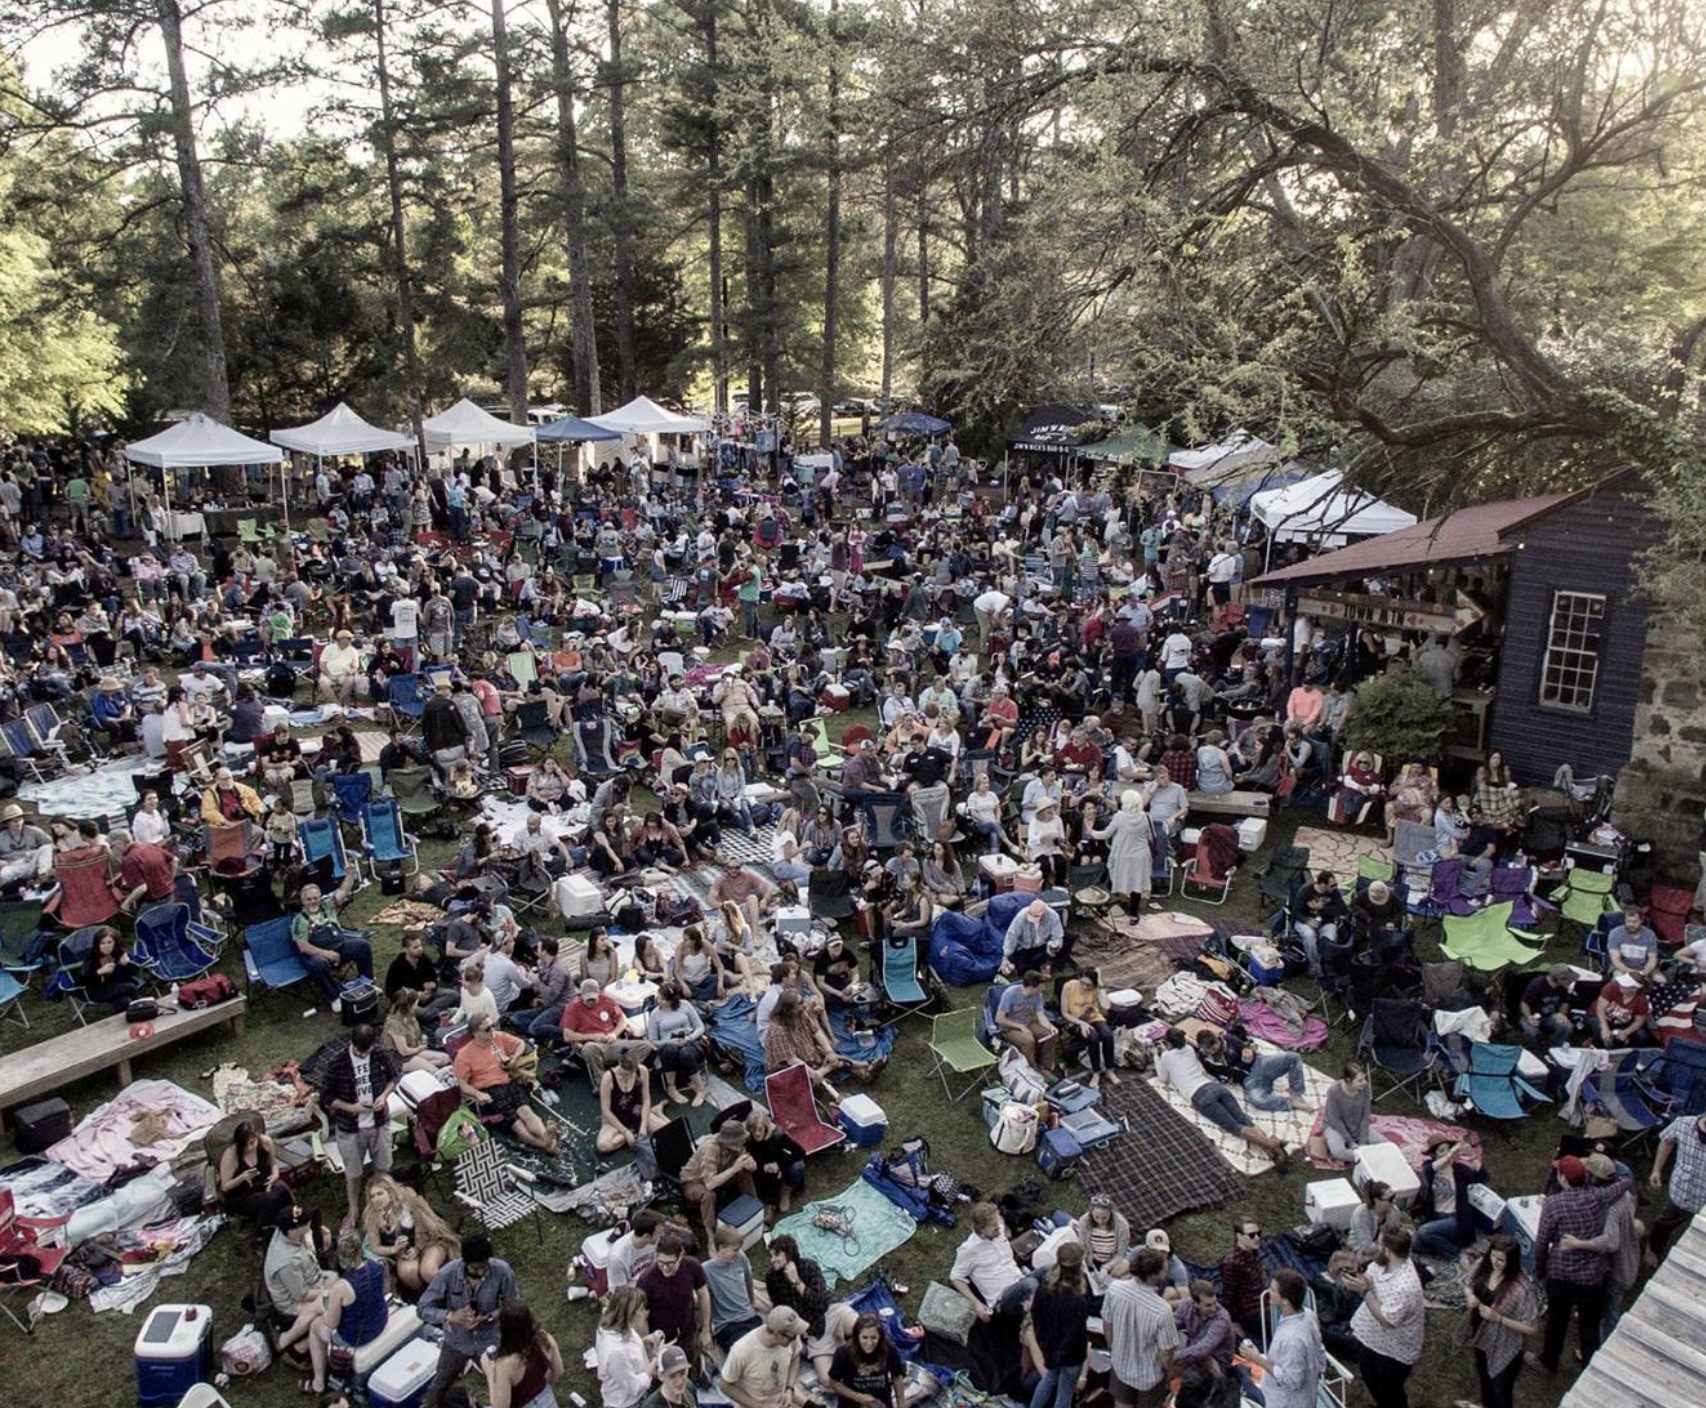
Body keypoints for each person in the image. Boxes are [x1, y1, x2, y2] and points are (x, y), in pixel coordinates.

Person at [1155, 1029, 1291, 1168]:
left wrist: (1156, 1055)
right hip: (1215, 1087)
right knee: (1243, 1118)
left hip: (1199, 1095)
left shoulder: (1166, 1056)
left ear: (1169, 1044)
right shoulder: (1190, 1049)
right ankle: (1275, 1151)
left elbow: (1163, 1078)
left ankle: (1270, 1144)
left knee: (1234, 1127)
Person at [419, 1236, 520, 1408]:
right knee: (439, 1385)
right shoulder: (447, 1274)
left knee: (503, 1383)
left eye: (483, 1267)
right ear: (465, 1262)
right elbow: (422, 1308)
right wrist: (450, 1315)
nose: (480, 1272)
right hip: (456, 1341)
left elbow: (514, 1305)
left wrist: (489, 1317)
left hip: (490, 1340)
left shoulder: (502, 1271)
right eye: (475, 1268)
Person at [321, 1024, 399, 1231]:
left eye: (367, 1051)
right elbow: (327, 1097)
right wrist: (351, 1107)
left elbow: (394, 1077)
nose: (364, 1055)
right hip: (350, 1128)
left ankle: (383, 1208)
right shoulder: (338, 1062)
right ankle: (354, 1209)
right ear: (352, 1044)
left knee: (383, 1168)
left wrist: (383, 1095)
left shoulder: (380, 1053)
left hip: (379, 1122)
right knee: (354, 1173)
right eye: (359, 1052)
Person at [453, 1014, 559, 1154]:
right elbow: (462, 1085)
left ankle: (546, 1139)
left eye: (492, 1026)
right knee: (517, 1124)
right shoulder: (464, 1055)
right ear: (475, 1034)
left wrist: (513, 1060)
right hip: (488, 1090)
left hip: (508, 1082)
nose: (492, 1030)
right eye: (487, 1029)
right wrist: (478, 1094)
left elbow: (521, 1044)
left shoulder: (497, 1037)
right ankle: (547, 1143)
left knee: (526, 1111)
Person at [1457, 1234, 1541, 1408]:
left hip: (1505, 1344)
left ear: (1511, 1261)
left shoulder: (1521, 1289)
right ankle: (1485, 1404)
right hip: (1480, 1333)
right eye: (1493, 1256)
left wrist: (1499, 1318)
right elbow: (1468, 1283)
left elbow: (1532, 1328)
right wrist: (1470, 1296)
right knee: (1483, 1373)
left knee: (1501, 1387)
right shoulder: (1483, 1265)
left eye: (1501, 1260)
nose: (1495, 1262)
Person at [304, 1230, 390, 1396]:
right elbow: (384, 1290)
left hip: (356, 1336)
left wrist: (325, 1307)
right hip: (380, 1320)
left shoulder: (342, 1286)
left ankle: (318, 1382)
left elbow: (331, 1323)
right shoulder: (377, 1265)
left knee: (316, 1326)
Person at [1345, 1229, 1424, 1408]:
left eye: (1380, 1244)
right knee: (1368, 1371)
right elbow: (1371, 1276)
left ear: (1388, 1250)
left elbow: (1387, 1320)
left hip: (1394, 1351)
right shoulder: (1385, 1262)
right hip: (1374, 1339)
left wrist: (1364, 1291)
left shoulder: (1405, 1287)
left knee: (1388, 1390)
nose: (1377, 1248)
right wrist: (1359, 1278)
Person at [1102, 1248, 1183, 1408]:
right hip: (1149, 1377)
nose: (1165, 1273)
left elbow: (1107, 1324)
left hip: (1120, 1367)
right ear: (1154, 1275)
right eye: (1163, 1270)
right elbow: (1166, 1352)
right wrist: (1168, 1372)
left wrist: (1113, 1349)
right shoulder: (1162, 1310)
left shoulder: (1115, 1289)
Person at [1236, 1270, 1324, 1408]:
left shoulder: (1293, 1339)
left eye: (1272, 1290)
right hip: (1304, 1393)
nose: (1268, 1292)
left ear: (1285, 1301)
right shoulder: (1308, 1315)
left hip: (1284, 1402)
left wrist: (1257, 1358)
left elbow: (1292, 1381)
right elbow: (1320, 1350)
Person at [363, 1173, 459, 1294]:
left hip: (429, 1241)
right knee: (408, 1272)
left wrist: (418, 1248)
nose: (376, 1199)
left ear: (390, 1192)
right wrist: (393, 1249)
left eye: (380, 1194)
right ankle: (429, 1296)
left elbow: (432, 1227)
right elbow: (374, 1246)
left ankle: (455, 1294)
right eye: (372, 1196)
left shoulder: (408, 1199)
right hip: (404, 1252)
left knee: (427, 1270)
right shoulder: (372, 1215)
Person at [1023, 1243, 1091, 1408]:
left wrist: (1045, 1345)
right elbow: (1074, 1335)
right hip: (1070, 1356)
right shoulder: (1077, 1300)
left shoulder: (1044, 1288)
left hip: (1050, 1348)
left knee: (1048, 1380)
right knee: (1064, 1394)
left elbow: (1036, 1316)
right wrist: (1060, 1356)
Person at [266, 1205, 336, 1365]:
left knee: (339, 1282)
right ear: (292, 1230)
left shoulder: (285, 1231)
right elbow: (302, 1295)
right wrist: (332, 1293)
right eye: (305, 1223)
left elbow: (307, 1225)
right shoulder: (285, 1262)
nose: (309, 1222)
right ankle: (296, 1348)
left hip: (313, 1277)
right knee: (333, 1309)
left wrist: (321, 1231)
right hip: (294, 1302)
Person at [290, 882, 374, 1010]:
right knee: (319, 964)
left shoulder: (327, 906)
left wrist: (350, 874)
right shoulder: (299, 920)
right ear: (302, 901)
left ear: (320, 897)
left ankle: (367, 982)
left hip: (338, 946)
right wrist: (327, 954)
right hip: (314, 954)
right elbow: (303, 947)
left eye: (315, 898)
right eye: (309, 899)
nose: (313, 901)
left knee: (363, 946)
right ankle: (334, 996)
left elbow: (342, 892)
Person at [949, 1200, 1034, 1321]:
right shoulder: (969, 1250)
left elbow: (999, 1222)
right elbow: (955, 1277)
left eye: (997, 1222)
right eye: (993, 1226)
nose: (998, 1227)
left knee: (1046, 1270)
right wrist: (976, 1303)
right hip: (1002, 1299)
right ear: (981, 1229)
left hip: (1020, 1279)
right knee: (1030, 1284)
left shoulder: (998, 1230)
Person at [637, 1232, 712, 1354]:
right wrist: (648, 1345)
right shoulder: (646, 1280)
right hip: (661, 1339)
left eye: (670, 1263)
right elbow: (641, 1316)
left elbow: (703, 1295)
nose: (665, 1268)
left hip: (687, 1331)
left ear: (681, 1255)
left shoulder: (692, 1266)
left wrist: (705, 1330)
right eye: (661, 1262)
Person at [720, 1307, 809, 1408]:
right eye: (792, 1337)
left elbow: (795, 1358)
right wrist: (761, 1406)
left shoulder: (791, 1339)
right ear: (777, 1333)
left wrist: (789, 1389)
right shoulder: (741, 1351)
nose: (795, 1339)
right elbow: (725, 1386)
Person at [1171, 1279, 1240, 1407]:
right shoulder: (1187, 1306)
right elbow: (1171, 1325)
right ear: (1195, 1303)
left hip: (1216, 1360)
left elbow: (1203, 1349)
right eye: (1208, 1305)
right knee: (1162, 1367)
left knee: (1204, 1362)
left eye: (1214, 1303)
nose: (1213, 1308)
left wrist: (1173, 1357)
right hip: (1191, 1354)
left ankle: (1217, 1390)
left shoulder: (1221, 1318)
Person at [1648, 1110, 1706, 1262]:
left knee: (1699, 1237)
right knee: (1664, 1224)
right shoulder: (1683, 1124)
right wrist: (1656, 1170)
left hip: (1704, 1202)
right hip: (1681, 1192)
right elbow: (1667, 1141)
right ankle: (1653, 1250)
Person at [1411, 1134, 1477, 1261]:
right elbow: (1430, 1169)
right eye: (1441, 1150)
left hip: (1455, 1218)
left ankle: (1455, 1254)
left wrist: (1471, 1155)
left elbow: (1477, 1175)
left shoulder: (1459, 1170)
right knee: (1415, 1244)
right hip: (1437, 1216)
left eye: (1448, 1149)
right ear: (1434, 1155)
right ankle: (1447, 1244)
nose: (1447, 1153)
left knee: (1424, 1232)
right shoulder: (1429, 1168)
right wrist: (1449, 1155)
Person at [217, 1119, 293, 1230]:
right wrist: (242, 1177)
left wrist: (275, 1176)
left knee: (283, 1191)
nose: (249, 1148)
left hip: (262, 1184)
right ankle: (261, 1232)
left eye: (252, 1143)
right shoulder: (231, 1155)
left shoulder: (265, 1142)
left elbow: (273, 1164)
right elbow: (225, 1187)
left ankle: (291, 1220)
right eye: (245, 1146)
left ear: (257, 1137)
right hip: (241, 1194)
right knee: (270, 1200)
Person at [598, 1041, 669, 1154]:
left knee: (668, 1132)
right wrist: (625, 1131)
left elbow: (646, 1099)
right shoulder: (608, 1078)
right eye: (627, 1073)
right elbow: (605, 1110)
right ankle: (632, 1134)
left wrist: (644, 1126)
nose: (630, 1075)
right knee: (603, 1146)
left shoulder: (642, 1071)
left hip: (637, 1113)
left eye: (632, 1072)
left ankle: (655, 1114)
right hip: (616, 1118)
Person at [1089, 789, 1153, 913]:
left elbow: (1105, 834)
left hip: (1124, 854)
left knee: (1123, 880)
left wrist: (1090, 832)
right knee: (1137, 883)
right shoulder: (1146, 817)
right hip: (1141, 855)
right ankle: (1134, 912)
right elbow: (1149, 837)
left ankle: (1122, 903)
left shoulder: (1120, 817)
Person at [647, 983, 711, 1105]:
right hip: (668, 1045)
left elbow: (700, 1027)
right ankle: (672, 1087)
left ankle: (700, 1089)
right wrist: (669, 1042)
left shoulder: (685, 1006)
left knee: (685, 1053)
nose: (658, 1000)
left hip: (690, 1041)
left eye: (661, 998)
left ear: (670, 1001)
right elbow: (653, 1040)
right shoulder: (655, 1014)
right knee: (670, 1050)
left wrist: (688, 1038)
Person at [596, 1287, 659, 1408]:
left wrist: (643, 1341)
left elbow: (628, 1350)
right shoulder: (615, 1352)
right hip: (628, 1403)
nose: (645, 1313)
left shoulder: (616, 1327)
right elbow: (634, 1387)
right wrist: (656, 1359)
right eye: (641, 1310)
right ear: (630, 1315)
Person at [705, 1224, 764, 1350]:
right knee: (745, 1353)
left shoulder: (740, 1258)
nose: (737, 1253)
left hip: (749, 1316)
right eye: (735, 1250)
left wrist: (752, 1301)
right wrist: (708, 1330)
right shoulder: (706, 1270)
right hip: (728, 1325)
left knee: (767, 1345)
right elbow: (705, 1300)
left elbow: (748, 1279)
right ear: (722, 1247)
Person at [561, 978, 628, 1085]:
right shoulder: (573, 1008)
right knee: (590, 1049)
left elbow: (623, 1019)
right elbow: (567, 1035)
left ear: (599, 993)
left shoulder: (607, 1001)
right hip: (590, 1044)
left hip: (611, 1040)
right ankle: (602, 1083)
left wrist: (614, 1034)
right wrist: (592, 1036)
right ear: (581, 995)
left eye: (593, 999)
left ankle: (630, 1076)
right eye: (588, 999)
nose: (591, 1002)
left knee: (640, 1046)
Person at [1060, 967, 1118, 1087]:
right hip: (1076, 1020)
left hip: (1093, 1017)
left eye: (1089, 985)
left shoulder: (1096, 988)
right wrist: (1081, 1023)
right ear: (1079, 978)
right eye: (1083, 983)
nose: (1085, 987)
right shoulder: (1069, 987)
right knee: (1093, 1038)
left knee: (1107, 1035)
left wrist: (1100, 984)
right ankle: (1095, 1072)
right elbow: (1064, 1013)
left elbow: (1106, 1006)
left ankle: (1109, 1069)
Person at [994, 969, 1058, 1073]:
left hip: (1027, 1022)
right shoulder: (1010, 994)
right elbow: (999, 1019)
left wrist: (1050, 1027)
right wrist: (1020, 1027)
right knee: (1028, 1041)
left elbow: (1040, 1015)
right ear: (1032, 986)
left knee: (1051, 1034)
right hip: (1009, 1028)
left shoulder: (1037, 995)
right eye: (1041, 987)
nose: (1044, 989)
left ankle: (1045, 1067)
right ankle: (1032, 1069)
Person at [78, 926, 143, 1012]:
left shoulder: (118, 953)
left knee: (123, 1001)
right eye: (102, 943)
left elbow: (134, 973)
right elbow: (81, 980)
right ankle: (139, 1009)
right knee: (130, 987)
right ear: (97, 944)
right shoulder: (92, 957)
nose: (106, 946)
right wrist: (99, 972)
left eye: (109, 942)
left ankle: (132, 1016)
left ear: (115, 943)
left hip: (118, 985)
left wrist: (127, 964)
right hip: (97, 990)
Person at [1072, 1194, 1132, 1277]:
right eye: (1096, 1217)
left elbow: (1121, 1253)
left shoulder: (1122, 1225)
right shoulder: (1084, 1221)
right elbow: (1083, 1246)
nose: (1100, 1221)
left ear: (1111, 1213)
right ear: (1091, 1212)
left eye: (1104, 1218)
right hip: (1092, 1260)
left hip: (1113, 1261)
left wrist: (1107, 1267)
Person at [1519, 965, 1578, 1046]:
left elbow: (1565, 1002)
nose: (1571, 982)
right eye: (1569, 980)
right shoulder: (1537, 984)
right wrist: (1529, 1017)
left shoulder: (1563, 987)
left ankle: (1554, 1047)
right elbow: (1524, 1003)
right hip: (1531, 1015)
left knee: (1567, 1027)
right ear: (1559, 978)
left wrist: (1562, 1014)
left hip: (1549, 1015)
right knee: (1532, 1032)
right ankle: (1535, 1050)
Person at [1605, 904, 1659, 980]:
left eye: (1635, 922)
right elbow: (1615, 960)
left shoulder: (1650, 935)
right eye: (1628, 921)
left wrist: (1644, 972)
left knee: (1660, 979)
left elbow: (1652, 959)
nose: (1631, 924)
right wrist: (1631, 972)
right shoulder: (1615, 933)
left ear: (1641, 920)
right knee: (1618, 978)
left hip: (1643, 968)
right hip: (1622, 968)